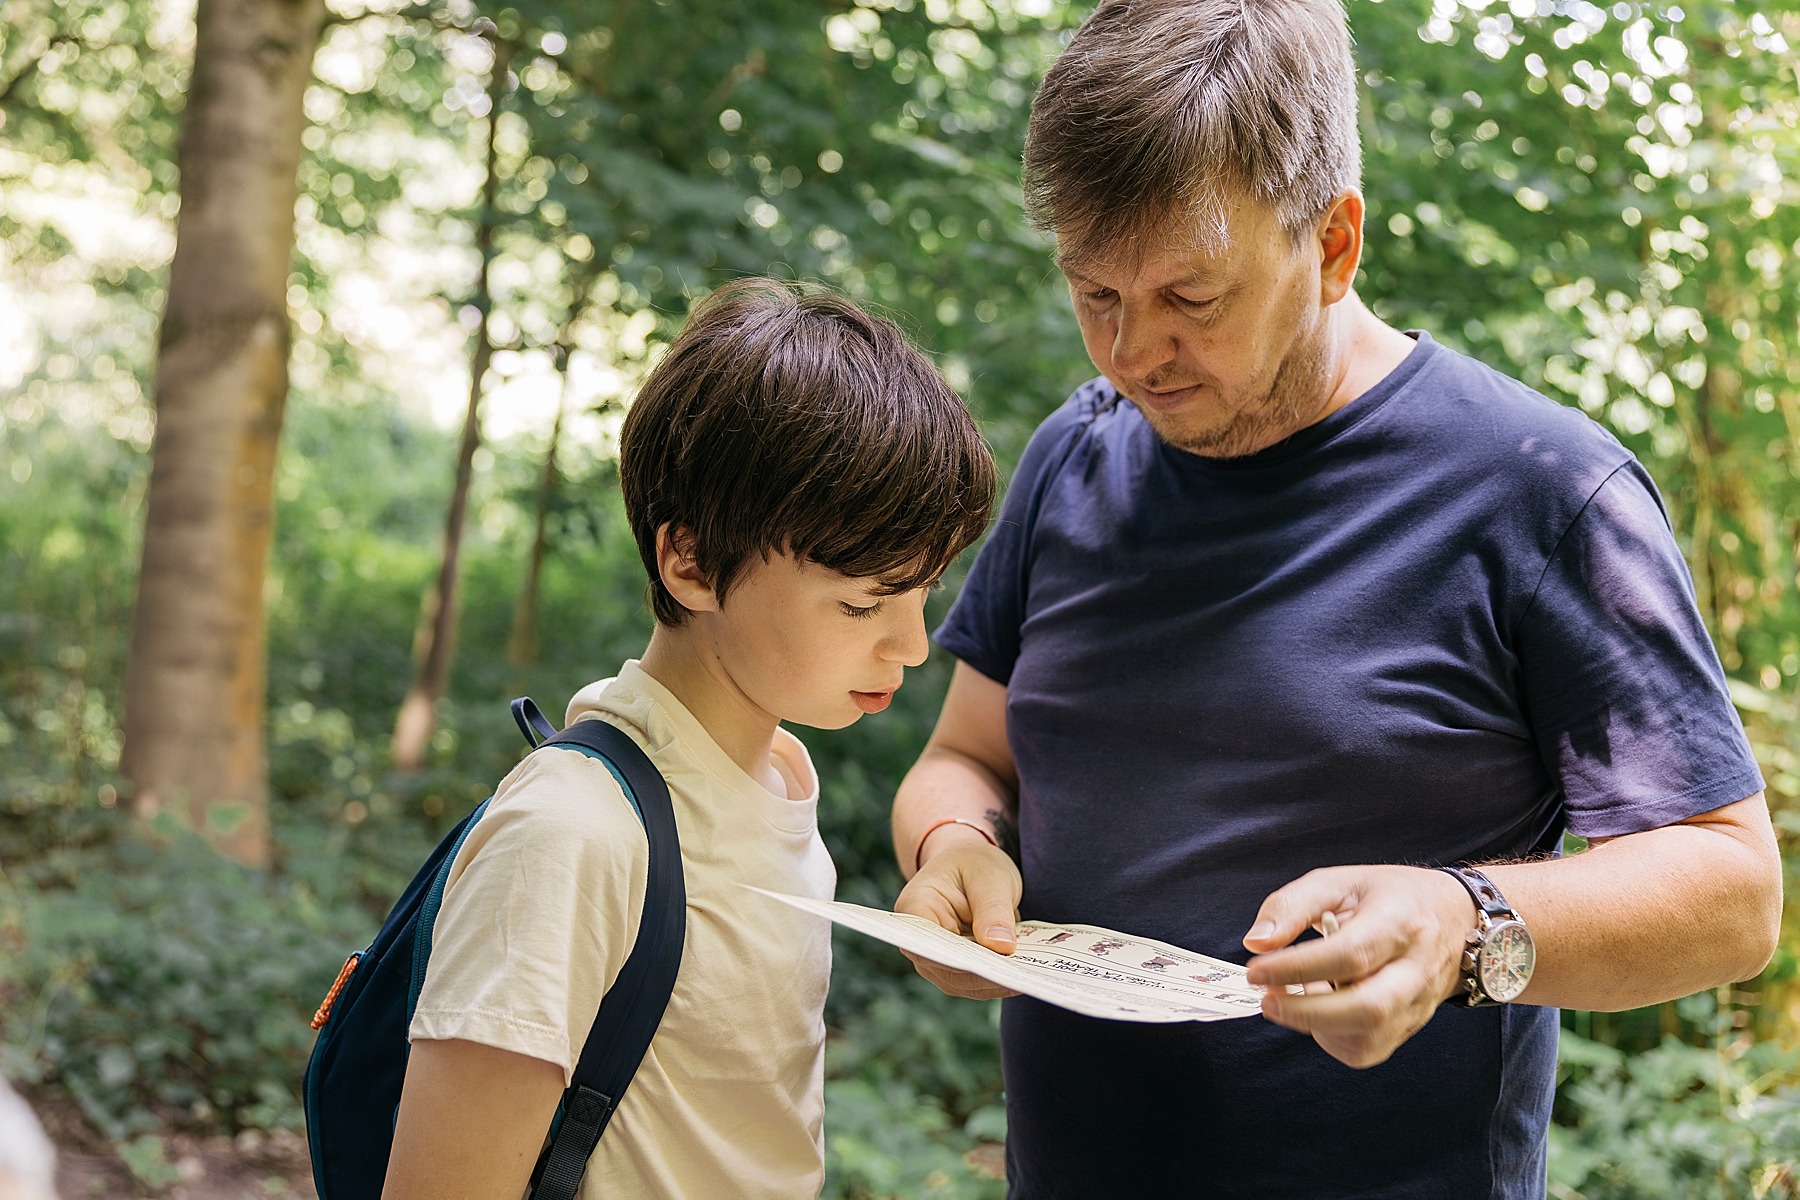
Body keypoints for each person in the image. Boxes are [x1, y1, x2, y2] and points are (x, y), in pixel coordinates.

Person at [889, 1, 1782, 1197]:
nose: (1130, 353)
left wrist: (1465, 924)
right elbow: (965, 757)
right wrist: (955, 846)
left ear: (1334, 244)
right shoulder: (1074, 456)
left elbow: (1732, 895)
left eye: (1190, 300)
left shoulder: (1540, 494)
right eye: (1094, 295)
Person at [382, 278, 996, 1200]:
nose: (911, 645)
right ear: (693, 562)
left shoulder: (779, 778)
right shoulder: (571, 838)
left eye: (923, 595)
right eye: (863, 602)